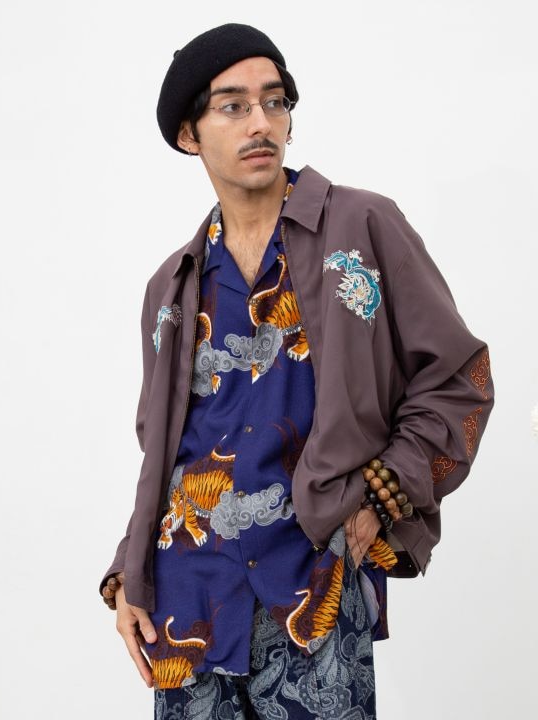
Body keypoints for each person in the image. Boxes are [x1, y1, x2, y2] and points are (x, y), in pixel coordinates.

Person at [98, 23, 494, 719]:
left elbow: (460, 378)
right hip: (188, 605)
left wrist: (383, 495)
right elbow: (164, 452)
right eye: (233, 106)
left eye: (274, 102)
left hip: (312, 586)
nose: (261, 122)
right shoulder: (171, 287)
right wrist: (129, 570)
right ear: (189, 135)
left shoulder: (362, 227)